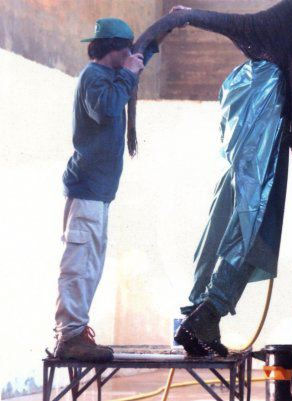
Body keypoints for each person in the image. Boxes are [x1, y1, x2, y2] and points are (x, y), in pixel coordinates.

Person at [54, 17, 162, 361]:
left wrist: (171, 24)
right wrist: (129, 73)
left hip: (97, 191)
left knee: (90, 265)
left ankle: (75, 331)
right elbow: (108, 108)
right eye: (127, 49)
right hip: (87, 189)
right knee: (79, 264)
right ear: (114, 49)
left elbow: (142, 53)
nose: (132, 54)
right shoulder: (95, 77)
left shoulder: (111, 75)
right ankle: (69, 336)